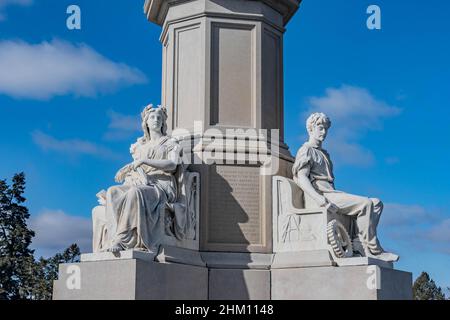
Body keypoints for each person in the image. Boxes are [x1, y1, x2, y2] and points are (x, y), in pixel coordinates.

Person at [293, 112, 398, 262]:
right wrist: (319, 199)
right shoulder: (306, 150)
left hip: (331, 192)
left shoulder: (324, 153)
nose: (324, 132)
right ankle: (372, 249)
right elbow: (301, 177)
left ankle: (358, 241)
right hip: (322, 194)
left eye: (326, 129)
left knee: (376, 203)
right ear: (310, 129)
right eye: (321, 128)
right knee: (366, 204)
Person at [103, 104, 182, 253]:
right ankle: (112, 238)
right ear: (145, 122)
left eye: (159, 117)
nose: (156, 120)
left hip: (161, 185)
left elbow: (172, 165)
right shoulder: (140, 146)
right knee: (112, 192)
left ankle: (123, 239)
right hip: (142, 181)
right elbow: (137, 167)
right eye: (152, 117)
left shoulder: (170, 143)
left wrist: (144, 161)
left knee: (135, 193)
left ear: (163, 122)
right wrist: (130, 169)